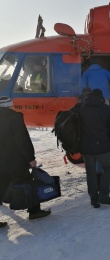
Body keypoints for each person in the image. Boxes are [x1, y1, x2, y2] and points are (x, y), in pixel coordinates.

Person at [0, 96, 51, 227]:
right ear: (9, 105)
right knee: (28, 183)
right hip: (15, 161)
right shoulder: (14, 118)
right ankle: (34, 211)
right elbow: (22, 140)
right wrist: (31, 159)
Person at [79, 89, 110, 208]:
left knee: (90, 173)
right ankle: (104, 196)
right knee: (108, 168)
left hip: (86, 148)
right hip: (102, 147)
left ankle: (94, 199)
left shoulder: (81, 108)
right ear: (101, 98)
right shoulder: (105, 109)